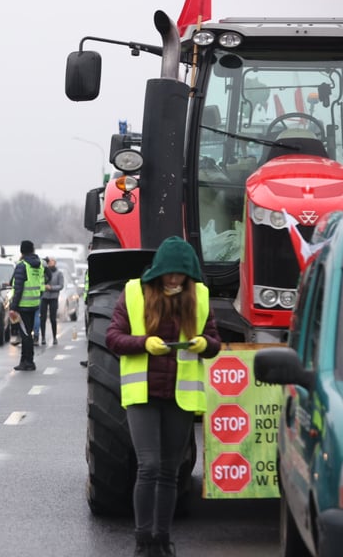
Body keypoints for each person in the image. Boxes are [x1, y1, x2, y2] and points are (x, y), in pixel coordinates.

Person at [106, 236, 221, 557]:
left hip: (179, 398)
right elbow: (113, 338)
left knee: (170, 472)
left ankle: (162, 539)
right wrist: (144, 343)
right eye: (169, 274)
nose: (174, 280)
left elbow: (214, 342)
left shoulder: (199, 296)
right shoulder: (133, 293)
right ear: (158, 272)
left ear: (189, 275)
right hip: (142, 394)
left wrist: (202, 344)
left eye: (180, 275)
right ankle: (143, 541)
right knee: (150, 466)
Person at [8, 240, 43, 371]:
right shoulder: (38, 265)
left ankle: (28, 362)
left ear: (21, 251)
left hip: (23, 305)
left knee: (25, 335)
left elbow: (18, 288)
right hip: (34, 303)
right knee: (27, 332)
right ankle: (26, 360)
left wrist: (13, 307)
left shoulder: (22, 265)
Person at [39, 256, 65, 345]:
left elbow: (61, 286)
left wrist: (51, 288)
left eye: (51, 261)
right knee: (42, 318)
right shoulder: (43, 271)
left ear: (55, 262)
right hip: (44, 297)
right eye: (49, 261)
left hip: (53, 297)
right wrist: (43, 287)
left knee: (53, 318)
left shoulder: (59, 273)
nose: (50, 262)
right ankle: (43, 337)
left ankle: (54, 337)